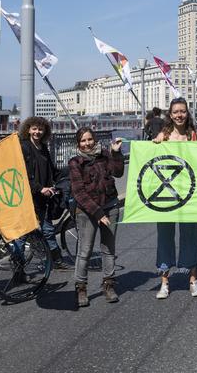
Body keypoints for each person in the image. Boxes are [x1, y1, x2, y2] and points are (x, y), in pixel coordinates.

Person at [152, 98, 197, 299]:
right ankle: (164, 281)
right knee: (164, 236)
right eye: (175, 112)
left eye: (182, 111)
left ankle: (193, 280)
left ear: (187, 113)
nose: (179, 115)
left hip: (190, 195)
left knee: (190, 235)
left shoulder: (195, 136)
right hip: (166, 195)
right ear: (170, 115)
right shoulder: (163, 137)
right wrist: (154, 145)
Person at [69, 128, 125, 307]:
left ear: (95, 140)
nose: (87, 143)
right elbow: (79, 193)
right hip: (87, 212)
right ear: (78, 144)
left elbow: (118, 172)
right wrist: (98, 213)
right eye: (83, 141)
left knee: (108, 249)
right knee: (84, 251)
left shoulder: (105, 155)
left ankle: (108, 284)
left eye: (90, 139)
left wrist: (116, 153)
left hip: (110, 206)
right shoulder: (75, 162)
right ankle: (81, 288)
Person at [18, 117, 70, 270]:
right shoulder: (24, 147)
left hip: (42, 198)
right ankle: (18, 266)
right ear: (28, 129)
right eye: (34, 128)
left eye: (40, 129)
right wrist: (39, 188)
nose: (37, 132)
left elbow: (52, 171)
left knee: (47, 230)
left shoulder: (43, 147)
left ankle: (56, 260)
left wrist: (71, 172)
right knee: (24, 234)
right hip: (29, 196)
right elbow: (23, 173)